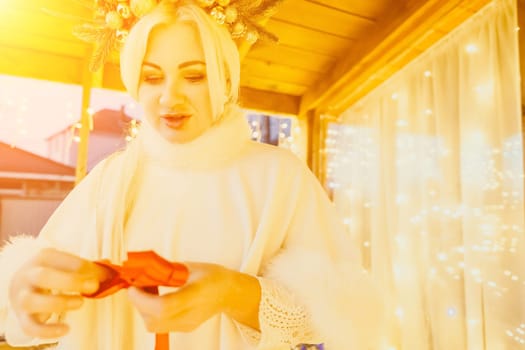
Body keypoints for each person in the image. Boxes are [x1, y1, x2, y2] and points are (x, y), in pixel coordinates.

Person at [0, 1, 384, 349]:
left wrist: (231, 292)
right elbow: (38, 295)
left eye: (195, 76)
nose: (170, 98)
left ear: (225, 81)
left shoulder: (278, 176)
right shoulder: (110, 180)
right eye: (152, 78)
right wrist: (27, 292)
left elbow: (335, 314)